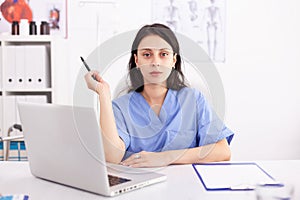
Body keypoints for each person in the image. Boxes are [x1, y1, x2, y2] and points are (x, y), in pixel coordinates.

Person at [85, 23, 234, 168]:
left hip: (187, 186)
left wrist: (166, 157)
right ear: (137, 60)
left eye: (163, 54)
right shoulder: (120, 107)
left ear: (173, 61)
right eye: (147, 54)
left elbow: (223, 151)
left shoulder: (194, 100)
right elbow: (112, 157)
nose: (155, 62)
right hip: (140, 189)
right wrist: (103, 94)